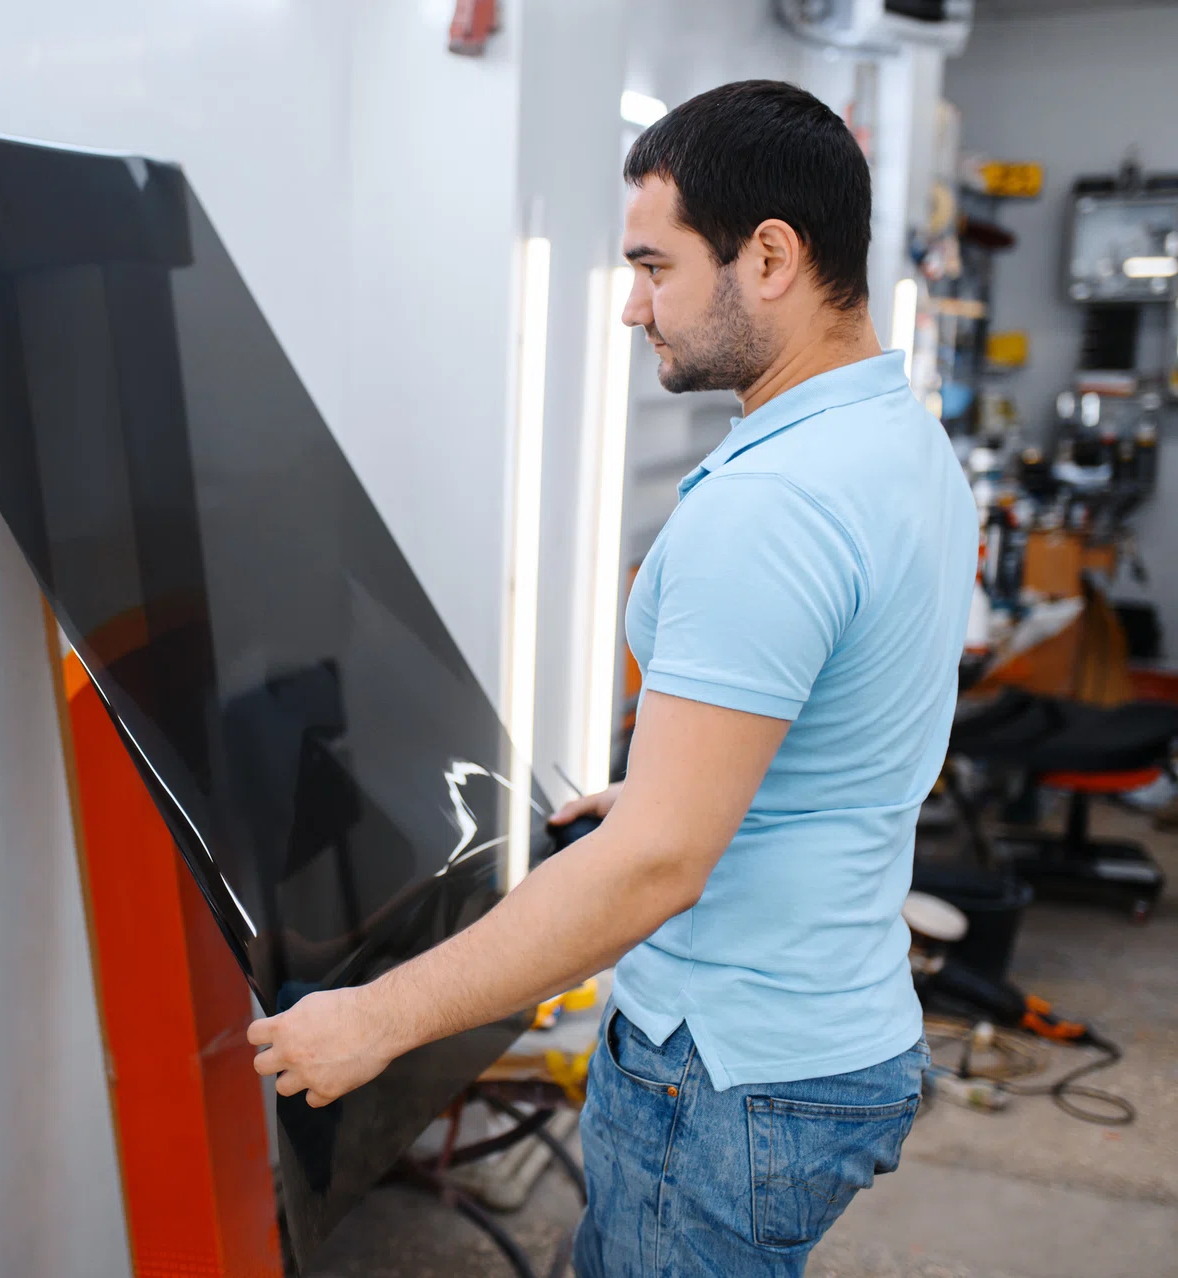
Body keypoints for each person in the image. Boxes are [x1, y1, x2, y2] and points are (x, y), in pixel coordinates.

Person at [246, 79, 977, 1275]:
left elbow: (656, 870)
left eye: (654, 266)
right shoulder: (895, 444)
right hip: (840, 1028)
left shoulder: (769, 509)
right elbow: (838, 725)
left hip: (729, 1074)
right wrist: (660, 794)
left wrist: (373, 1021)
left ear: (772, 257)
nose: (634, 308)